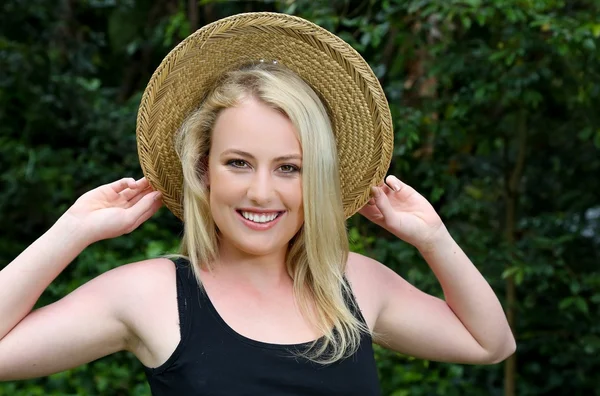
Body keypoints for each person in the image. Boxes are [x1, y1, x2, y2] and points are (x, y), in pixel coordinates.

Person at [0, 12, 515, 395]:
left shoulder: (353, 284)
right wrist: (73, 230)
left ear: (315, 181)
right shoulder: (151, 294)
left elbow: (490, 344)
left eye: (289, 168)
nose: (262, 192)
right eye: (239, 163)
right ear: (203, 171)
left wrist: (432, 236)